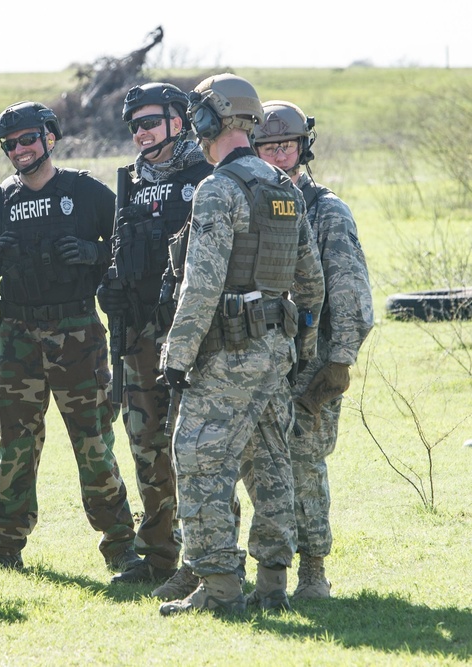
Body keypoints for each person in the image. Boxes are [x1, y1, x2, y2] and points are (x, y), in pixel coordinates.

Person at [0, 101, 146, 581]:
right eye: (10, 144)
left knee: (94, 441)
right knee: (15, 444)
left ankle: (121, 548)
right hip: (17, 336)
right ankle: (5, 549)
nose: (19, 150)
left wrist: (91, 253)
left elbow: (129, 245)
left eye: (27, 139)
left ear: (49, 138)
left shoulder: (84, 192)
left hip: (77, 333)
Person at [156, 74, 325, 615]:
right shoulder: (284, 187)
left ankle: (221, 590)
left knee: (198, 461)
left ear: (213, 119)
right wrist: (303, 347)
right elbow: (312, 283)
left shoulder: (219, 188)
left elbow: (200, 285)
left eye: (196, 115)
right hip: (276, 351)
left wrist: (176, 358)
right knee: (271, 462)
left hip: (226, 355)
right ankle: (273, 587)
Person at [253, 100, 373, 599]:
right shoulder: (246, 202)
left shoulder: (326, 210)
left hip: (311, 364)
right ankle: (264, 573)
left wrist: (339, 362)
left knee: (305, 468)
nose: (279, 155)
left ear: (304, 148)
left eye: (287, 145)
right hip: (256, 361)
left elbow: (349, 293)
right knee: (260, 469)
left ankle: (313, 572)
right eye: (267, 146)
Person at [96, 83, 214, 584]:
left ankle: (208, 556)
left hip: (191, 332)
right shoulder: (129, 182)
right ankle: (160, 556)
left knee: (197, 445)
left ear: (178, 121)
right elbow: (119, 250)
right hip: (139, 334)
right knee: (145, 444)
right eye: (135, 125)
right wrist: (111, 287)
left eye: (150, 121)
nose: (141, 132)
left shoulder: (205, 175)